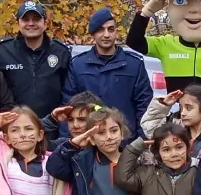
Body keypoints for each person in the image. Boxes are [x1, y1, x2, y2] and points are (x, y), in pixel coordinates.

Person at [63, 8, 153, 139]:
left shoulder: (134, 64)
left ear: (116, 32)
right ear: (93, 34)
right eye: (100, 30)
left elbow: (144, 106)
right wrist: (67, 142)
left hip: (125, 142)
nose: (106, 34)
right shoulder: (78, 65)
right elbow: (68, 106)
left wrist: (141, 142)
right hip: (89, 141)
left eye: (111, 29)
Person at [0, 1, 71, 119]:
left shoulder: (61, 52)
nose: (31, 23)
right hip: (12, 125)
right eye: (25, 19)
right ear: (18, 23)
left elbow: (69, 91)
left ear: (45, 23)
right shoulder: (1, 52)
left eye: (36, 19)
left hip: (52, 125)